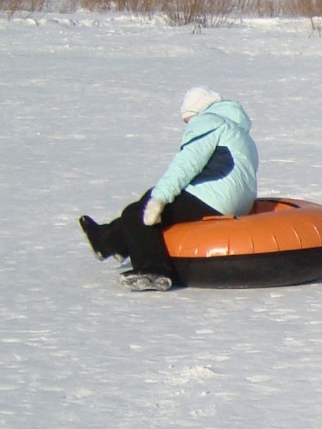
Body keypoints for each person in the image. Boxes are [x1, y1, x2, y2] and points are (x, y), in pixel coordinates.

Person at [80, 86, 259, 289]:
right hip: (239, 202)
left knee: (136, 213)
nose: (188, 125)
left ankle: (153, 269)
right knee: (149, 197)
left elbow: (186, 165)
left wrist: (160, 199)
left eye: (187, 120)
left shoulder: (207, 122)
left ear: (196, 113)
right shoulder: (238, 132)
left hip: (214, 198)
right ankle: (109, 241)